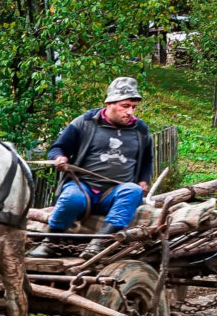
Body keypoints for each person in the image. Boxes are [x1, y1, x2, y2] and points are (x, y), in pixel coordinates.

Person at [29, 77, 153, 258]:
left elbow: (147, 160)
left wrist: (143, 180)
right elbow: (58, 148)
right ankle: (50, 242)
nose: (130, 112)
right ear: (110, 103)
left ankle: (98, 244)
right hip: (83, 187)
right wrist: (59, 158)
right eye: (125, 106)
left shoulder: (140, 130)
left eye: (133, 107)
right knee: (71, 198)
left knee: (133, 191)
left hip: (116, 191)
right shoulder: (85, 122)